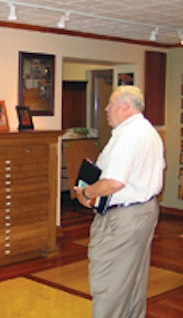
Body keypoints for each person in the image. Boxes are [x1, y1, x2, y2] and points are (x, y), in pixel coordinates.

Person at [74, 85, 165, 318]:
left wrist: (86, 193)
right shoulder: (148, 132)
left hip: (123, 219)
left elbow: (114, 182)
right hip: (144, 211)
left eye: (111, 104)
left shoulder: (128, 136)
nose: (106, 109)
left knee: (111, 282)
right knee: (132, 279)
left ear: (125, 107)